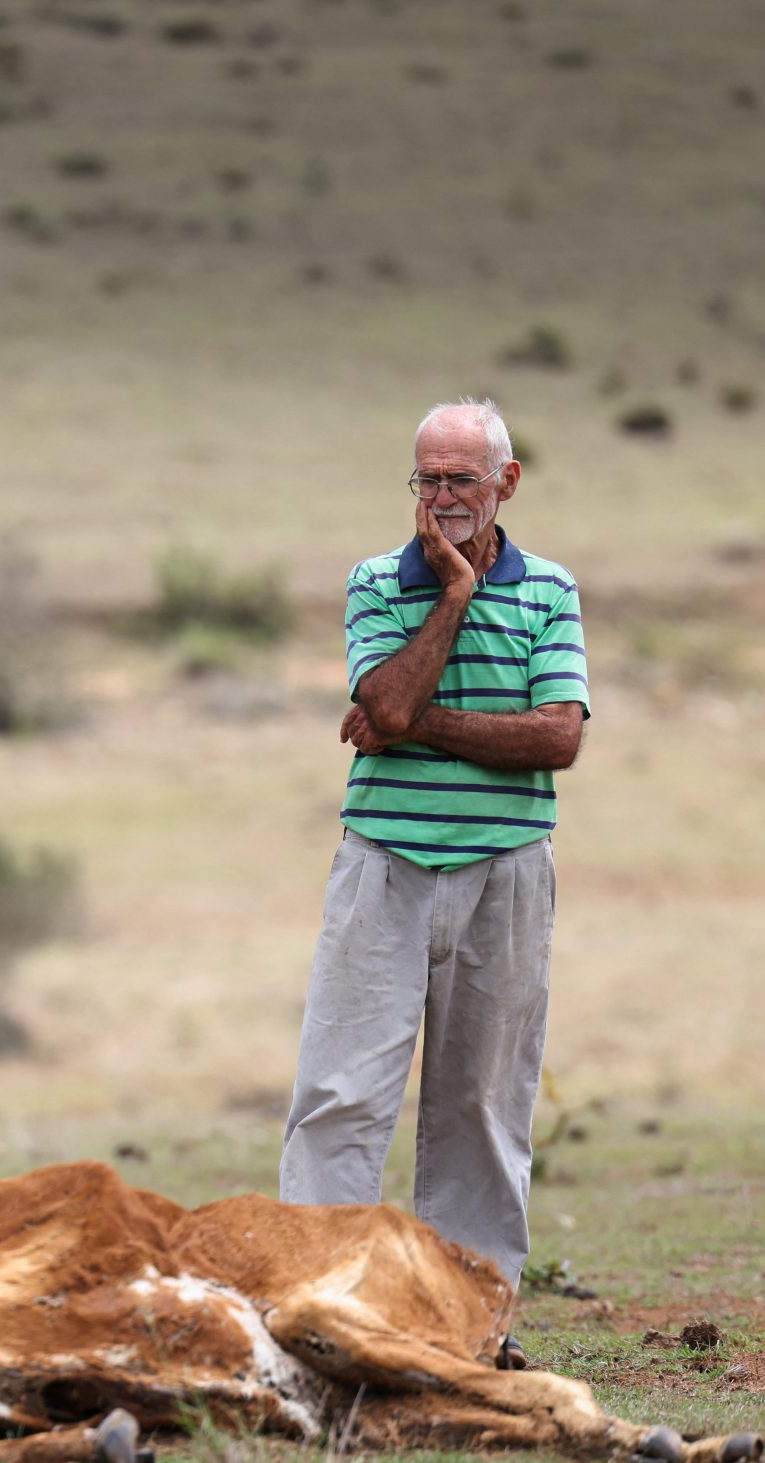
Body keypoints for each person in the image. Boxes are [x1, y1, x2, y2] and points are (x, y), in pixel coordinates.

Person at [279, 397, 589, 1305]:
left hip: (509, 871)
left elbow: (557, 739)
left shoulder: (549, 589)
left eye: (464, 478)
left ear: (508, 482)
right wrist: (454, 594)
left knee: (484, 1105)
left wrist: (415, 725)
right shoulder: (378, 581)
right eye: (430, 479)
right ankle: (317, 1306)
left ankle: (471, 1321)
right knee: (340, 1094)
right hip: (384, 864)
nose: (446, 496)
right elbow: (389, 703)